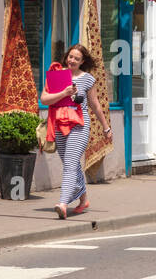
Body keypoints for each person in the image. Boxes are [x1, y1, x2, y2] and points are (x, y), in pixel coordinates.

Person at [40, 43, 111, 221]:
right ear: (66, 57)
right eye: (70, 57)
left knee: (71, 165)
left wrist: (106, 127)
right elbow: (44, 99)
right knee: (71, 165)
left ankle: (63, 203)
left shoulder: (87, 79)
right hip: (59, 123)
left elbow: (95, 105)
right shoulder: (57, 75)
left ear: (82, 61)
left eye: (76, 58)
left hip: (79, 125)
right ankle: (84, 199)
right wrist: (64, 93)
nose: (72, 60)